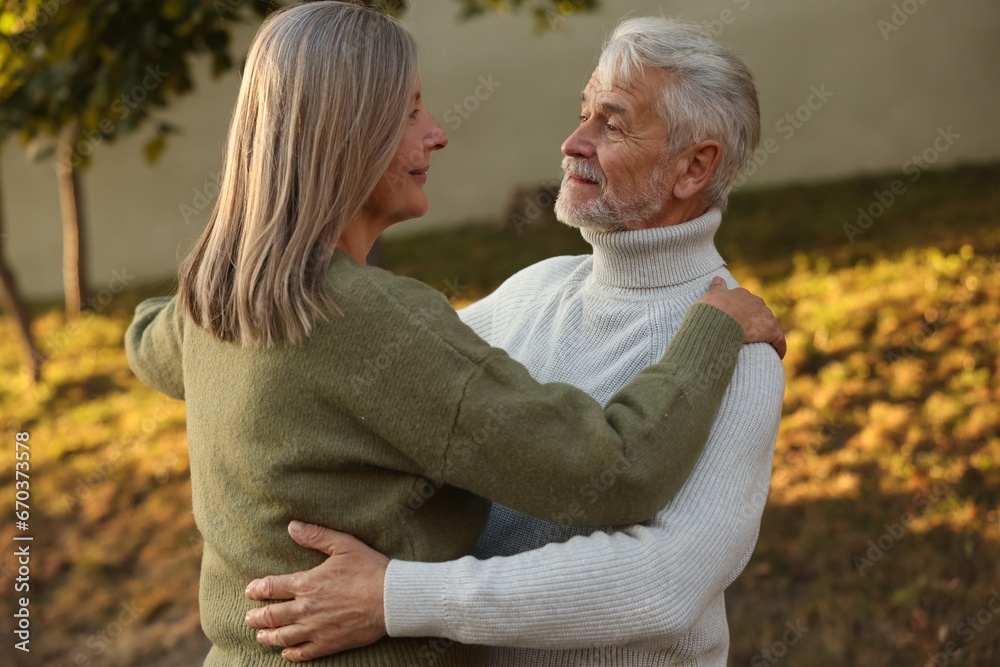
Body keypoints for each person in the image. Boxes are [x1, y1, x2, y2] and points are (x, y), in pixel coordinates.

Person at [124, 4, 784, 667]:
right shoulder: (524, 293)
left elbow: (661, 583)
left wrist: (394, 593)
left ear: (693, 169)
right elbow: (601, 462)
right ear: (345, 138)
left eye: (609, 123)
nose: (573, 141)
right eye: (582, 112)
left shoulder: (741, 353)